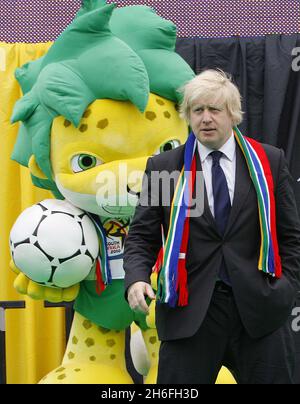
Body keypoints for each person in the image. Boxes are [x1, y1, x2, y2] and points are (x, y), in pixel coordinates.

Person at [123, 69, 300, 384]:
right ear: (187, 115)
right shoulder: (166, 168)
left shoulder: (269, 162)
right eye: (197, 110)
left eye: (214, 109)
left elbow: (291, 237)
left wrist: (285, 288)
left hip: (260, 312)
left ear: (233, 114)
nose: (205, 118)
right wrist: (136, 278)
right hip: (188, 313)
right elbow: (142, 236)